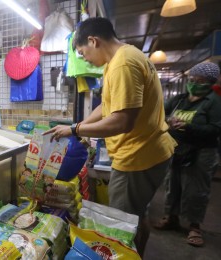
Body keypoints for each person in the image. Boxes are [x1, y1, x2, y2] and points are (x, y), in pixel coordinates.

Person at [44, 17, 176, 256]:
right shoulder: (121, 59)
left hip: (137, 157)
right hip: (147, 152)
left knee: (122, 224)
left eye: (83, 52)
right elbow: (107, 107)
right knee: (136, 215)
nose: (84, 58)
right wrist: (77, 125)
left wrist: (75, 131)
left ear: (93, 41)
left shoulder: (123, 64)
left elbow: (122, 121)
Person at [155, 62, 221, 247]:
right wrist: (167, 120)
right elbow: (159, 113)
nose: (193, 83)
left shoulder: (215, 103)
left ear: (209, 83)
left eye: (199, 81)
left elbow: (215, 130)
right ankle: (171, 217)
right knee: (173, 185)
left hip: (201, 153)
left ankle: (195, 226)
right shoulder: (180, 99)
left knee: (196, 189)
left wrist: (189, 126)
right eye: (192, 79)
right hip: (176, 149)